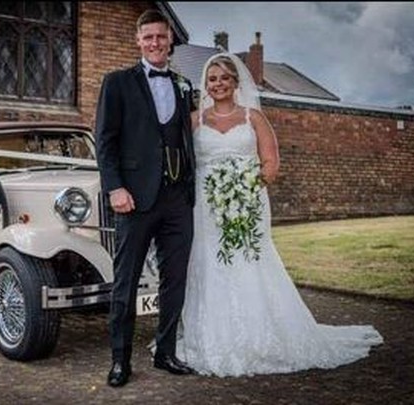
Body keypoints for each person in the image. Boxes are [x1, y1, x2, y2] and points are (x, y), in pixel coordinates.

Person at [176, 52, 384, 377]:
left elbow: (270, 165)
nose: (218, 84)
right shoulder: (193, 121)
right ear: (206, 84)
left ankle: (262, 335)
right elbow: (181, 162)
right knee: (208, 263)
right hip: (205, 208)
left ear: (234, 82)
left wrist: (244, 190)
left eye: (224, 78)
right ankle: (210, 335)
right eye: (212, 79)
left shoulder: (253, 118)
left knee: (249, 262)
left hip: (247, 203)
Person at [94, 10, 197, 387]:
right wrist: (115, 188)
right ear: (138, 41)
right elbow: (105, 141)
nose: (155, 43)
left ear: (170, 40)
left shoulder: (185, 85)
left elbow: (188, 137)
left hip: (177, 200)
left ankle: (165, 352)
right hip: (134, 200)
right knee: (126, 282)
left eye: (161, 37)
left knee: (175, 280)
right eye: (148, 37)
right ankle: (120, 361)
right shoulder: (117, 82)